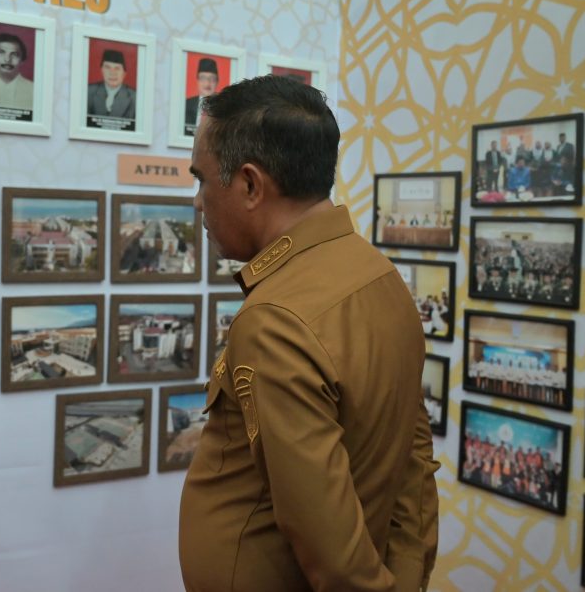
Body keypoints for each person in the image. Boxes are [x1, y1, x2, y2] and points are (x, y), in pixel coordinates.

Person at [180, 75, 439, 592]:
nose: (198, 202)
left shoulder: (275, 320)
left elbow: (335, 561)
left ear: (250, 185)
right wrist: (408, 576)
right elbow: (414, 472)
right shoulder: (379, 275)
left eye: (201, 179)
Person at [86, 49, 135, 120]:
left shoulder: (135, 97)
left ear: (124, 73)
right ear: (102, 70)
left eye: (117, 68)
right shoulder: (88, 91)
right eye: (107, 67)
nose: (112, 73)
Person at [184, 57, 220, 132]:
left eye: (212, 79)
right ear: (197, 81)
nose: (207, 83)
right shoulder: (186, 104)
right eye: (203, 78)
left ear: (217, 82)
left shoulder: (222, 108)